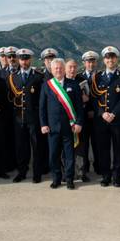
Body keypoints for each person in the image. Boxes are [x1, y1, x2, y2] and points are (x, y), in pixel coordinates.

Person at [40, 58, 84, 189]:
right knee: (53, 155)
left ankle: (69, 179)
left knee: (69, 155)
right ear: (52, 70)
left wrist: (79, 123)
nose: (58, 70)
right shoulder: (47, 85)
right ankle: (56, 178)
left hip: (69, 127)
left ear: (64, 69)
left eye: (60, 68)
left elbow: (79, 107)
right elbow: (42, 107)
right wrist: (43, 124)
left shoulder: (74, 84)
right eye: (56, 68)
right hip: (52, 128)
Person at [89, 46, 120, 187]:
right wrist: (102, 113)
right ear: (104, 60)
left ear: (116, 59)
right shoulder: (97, 77)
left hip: (117, 120)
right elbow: (93, 98)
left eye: (112, 57)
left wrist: (114, 113)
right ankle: (106, 175)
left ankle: (117, 175)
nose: (110, 60)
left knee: (119, 149)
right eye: (107, 57)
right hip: (101, 120)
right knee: (103, 149)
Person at [7, 48, 46, 183]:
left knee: (37, 147)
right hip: (19, 117)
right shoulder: (13, 77)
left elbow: (42, 99)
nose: (24, 61)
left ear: (31, 59)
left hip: (34, 118)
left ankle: (37, 173)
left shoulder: (38, 77)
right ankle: (22, 172)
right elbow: (10, 97)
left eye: (27, 58)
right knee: (21, 147)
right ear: (18, 60)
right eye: (22, 59)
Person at [77, 51, 100, 179]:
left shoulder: (101, 76)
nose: (90, 64)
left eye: (92, 61)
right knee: (84, 145)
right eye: (88, 61)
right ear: (84, 63)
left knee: (98, 143)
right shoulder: (79, 77)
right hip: (84, 116)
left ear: (96, 62)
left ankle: (98, 166)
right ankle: (84, 168)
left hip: (97, 116)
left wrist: (95, 110)